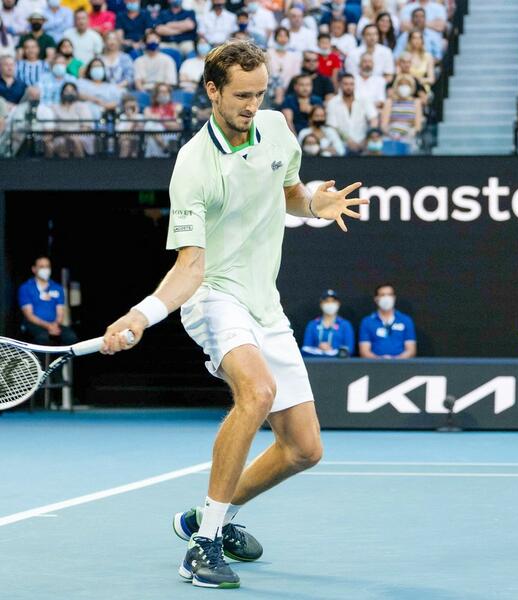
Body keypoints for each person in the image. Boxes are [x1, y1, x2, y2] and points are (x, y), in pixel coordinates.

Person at [101, 39, 366, 590]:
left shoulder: (276, 128)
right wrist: (142, 315)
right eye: (242, 95)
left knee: (304, 449)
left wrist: (315, 205)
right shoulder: (193, 166)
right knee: (257, 393)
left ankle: (210, 518)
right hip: (214, 295)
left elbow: (289, 193)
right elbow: (190, 267)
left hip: (264, 302)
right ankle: (202, 547)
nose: (252, 105)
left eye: (260, 93)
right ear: (213, 91)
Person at [18, 256, 78, 345]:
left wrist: (55, 325)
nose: (45, 269)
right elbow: (29, 315)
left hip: (54, 324)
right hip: (33, 324)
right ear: (34, 269)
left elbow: (60, 312)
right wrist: (48, 326)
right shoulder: (26, 288)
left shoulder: (57, 288)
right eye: (42, 267)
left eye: (47, 266)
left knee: (70, 337)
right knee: (42, 337)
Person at [359, 283, 417, 359]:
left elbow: (411, 350)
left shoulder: (405, 320)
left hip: (401, 364)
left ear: (394, 298)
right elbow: (364, 351)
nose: (386, 298)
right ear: (376, 299)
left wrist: (395, 361)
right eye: (382, 295)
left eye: (390, 295)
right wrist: (380, 361)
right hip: (375, 364)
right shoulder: (367, 322)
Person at [326, 72, 378, 155]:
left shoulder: (364, 99)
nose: (349, 87)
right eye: (345, 84)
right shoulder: (332, 103)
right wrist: (348, 141)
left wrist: (367, 139)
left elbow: (373, 119)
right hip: (341, 145)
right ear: (340, 85)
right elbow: (333, 126)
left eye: (351, 84)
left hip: (363, 143)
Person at [37, 81, 94, 156]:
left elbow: (86, 127)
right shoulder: (54, 107)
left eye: (72, 90)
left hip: (80, 135)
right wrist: (64, 134)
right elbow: (51, 127)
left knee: (75, 140)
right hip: (60, 135)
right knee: (59, 142)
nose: (69, 93)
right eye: (67, 91)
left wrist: (71, 135)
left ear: (76, 93)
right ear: (62, 93)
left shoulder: (82, 106)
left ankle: (81, 162)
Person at [301, 289, 355, 357]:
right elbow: (306, 348)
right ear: (321, 304)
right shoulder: (312, 324)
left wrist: (332, 351)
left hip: (338, 362)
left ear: (338, 304)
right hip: (316, 361)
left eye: (333, 301)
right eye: (326, 301)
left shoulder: (345, 325)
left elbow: (349, 349)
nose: (330, 304)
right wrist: (319, 349)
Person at [381, 73, 422, 151]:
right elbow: (384, 125)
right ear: (396, 86)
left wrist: (409, 134)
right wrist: (392, 134)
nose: (404, 87)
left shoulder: (416, 102)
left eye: (407, 84)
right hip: (391, 136)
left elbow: (418, 126)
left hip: (409, 136)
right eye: (401, 84)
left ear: (412, 87)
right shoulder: (389, 102)